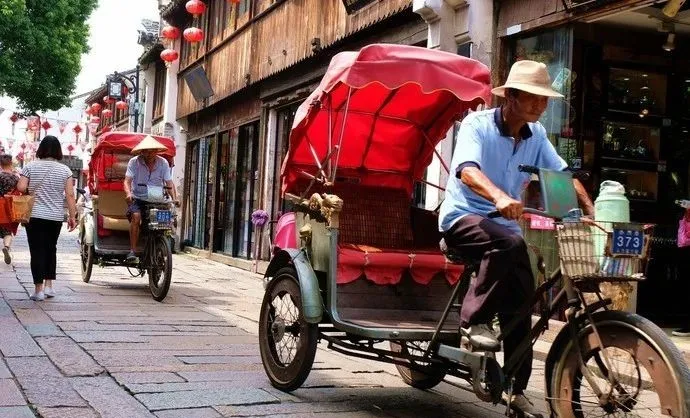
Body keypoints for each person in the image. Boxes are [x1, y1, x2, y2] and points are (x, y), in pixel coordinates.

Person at [439, 60, 594, 414]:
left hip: (504, 228)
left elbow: (561, 174)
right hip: (464, 217)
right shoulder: (477, 126)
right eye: (534, 98)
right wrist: (498, 196)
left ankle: (515, 388)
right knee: (509, 243)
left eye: (545, 100)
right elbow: (466, 170)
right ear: (510, 96)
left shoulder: (535, 135)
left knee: (523, 302)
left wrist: (589, 208)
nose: (541, 106)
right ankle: (474, 321)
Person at [17, 136, 77, 301]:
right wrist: (72, 216)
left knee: (37, 251)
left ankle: (38, 290)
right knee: (51, 249)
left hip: (34, 216)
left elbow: (21, 187)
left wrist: (32, 189)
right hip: (55, 216)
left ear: (41, 149)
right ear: (58, 151)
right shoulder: (65, 170)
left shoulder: (30, 166)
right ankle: (49, 286)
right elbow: (70, 195)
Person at [123, 135, 178, 263]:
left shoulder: (163, 163)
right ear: (141, 151)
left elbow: (169, 183)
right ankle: (133, 250)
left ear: (157, 151)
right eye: (146, 151)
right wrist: (128, 193)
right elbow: (127, 181)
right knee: (136, 217)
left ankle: (161, 244)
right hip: (138, 198)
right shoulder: (134, 162)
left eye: (152, 150)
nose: (149, 154)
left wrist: (174, 198)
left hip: (157, 200)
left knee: (165, 220)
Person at [0, 154, 19, 264]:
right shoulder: (15, 177)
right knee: (8, 231)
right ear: (10, 163)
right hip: (10, 206)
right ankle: (6, 247)